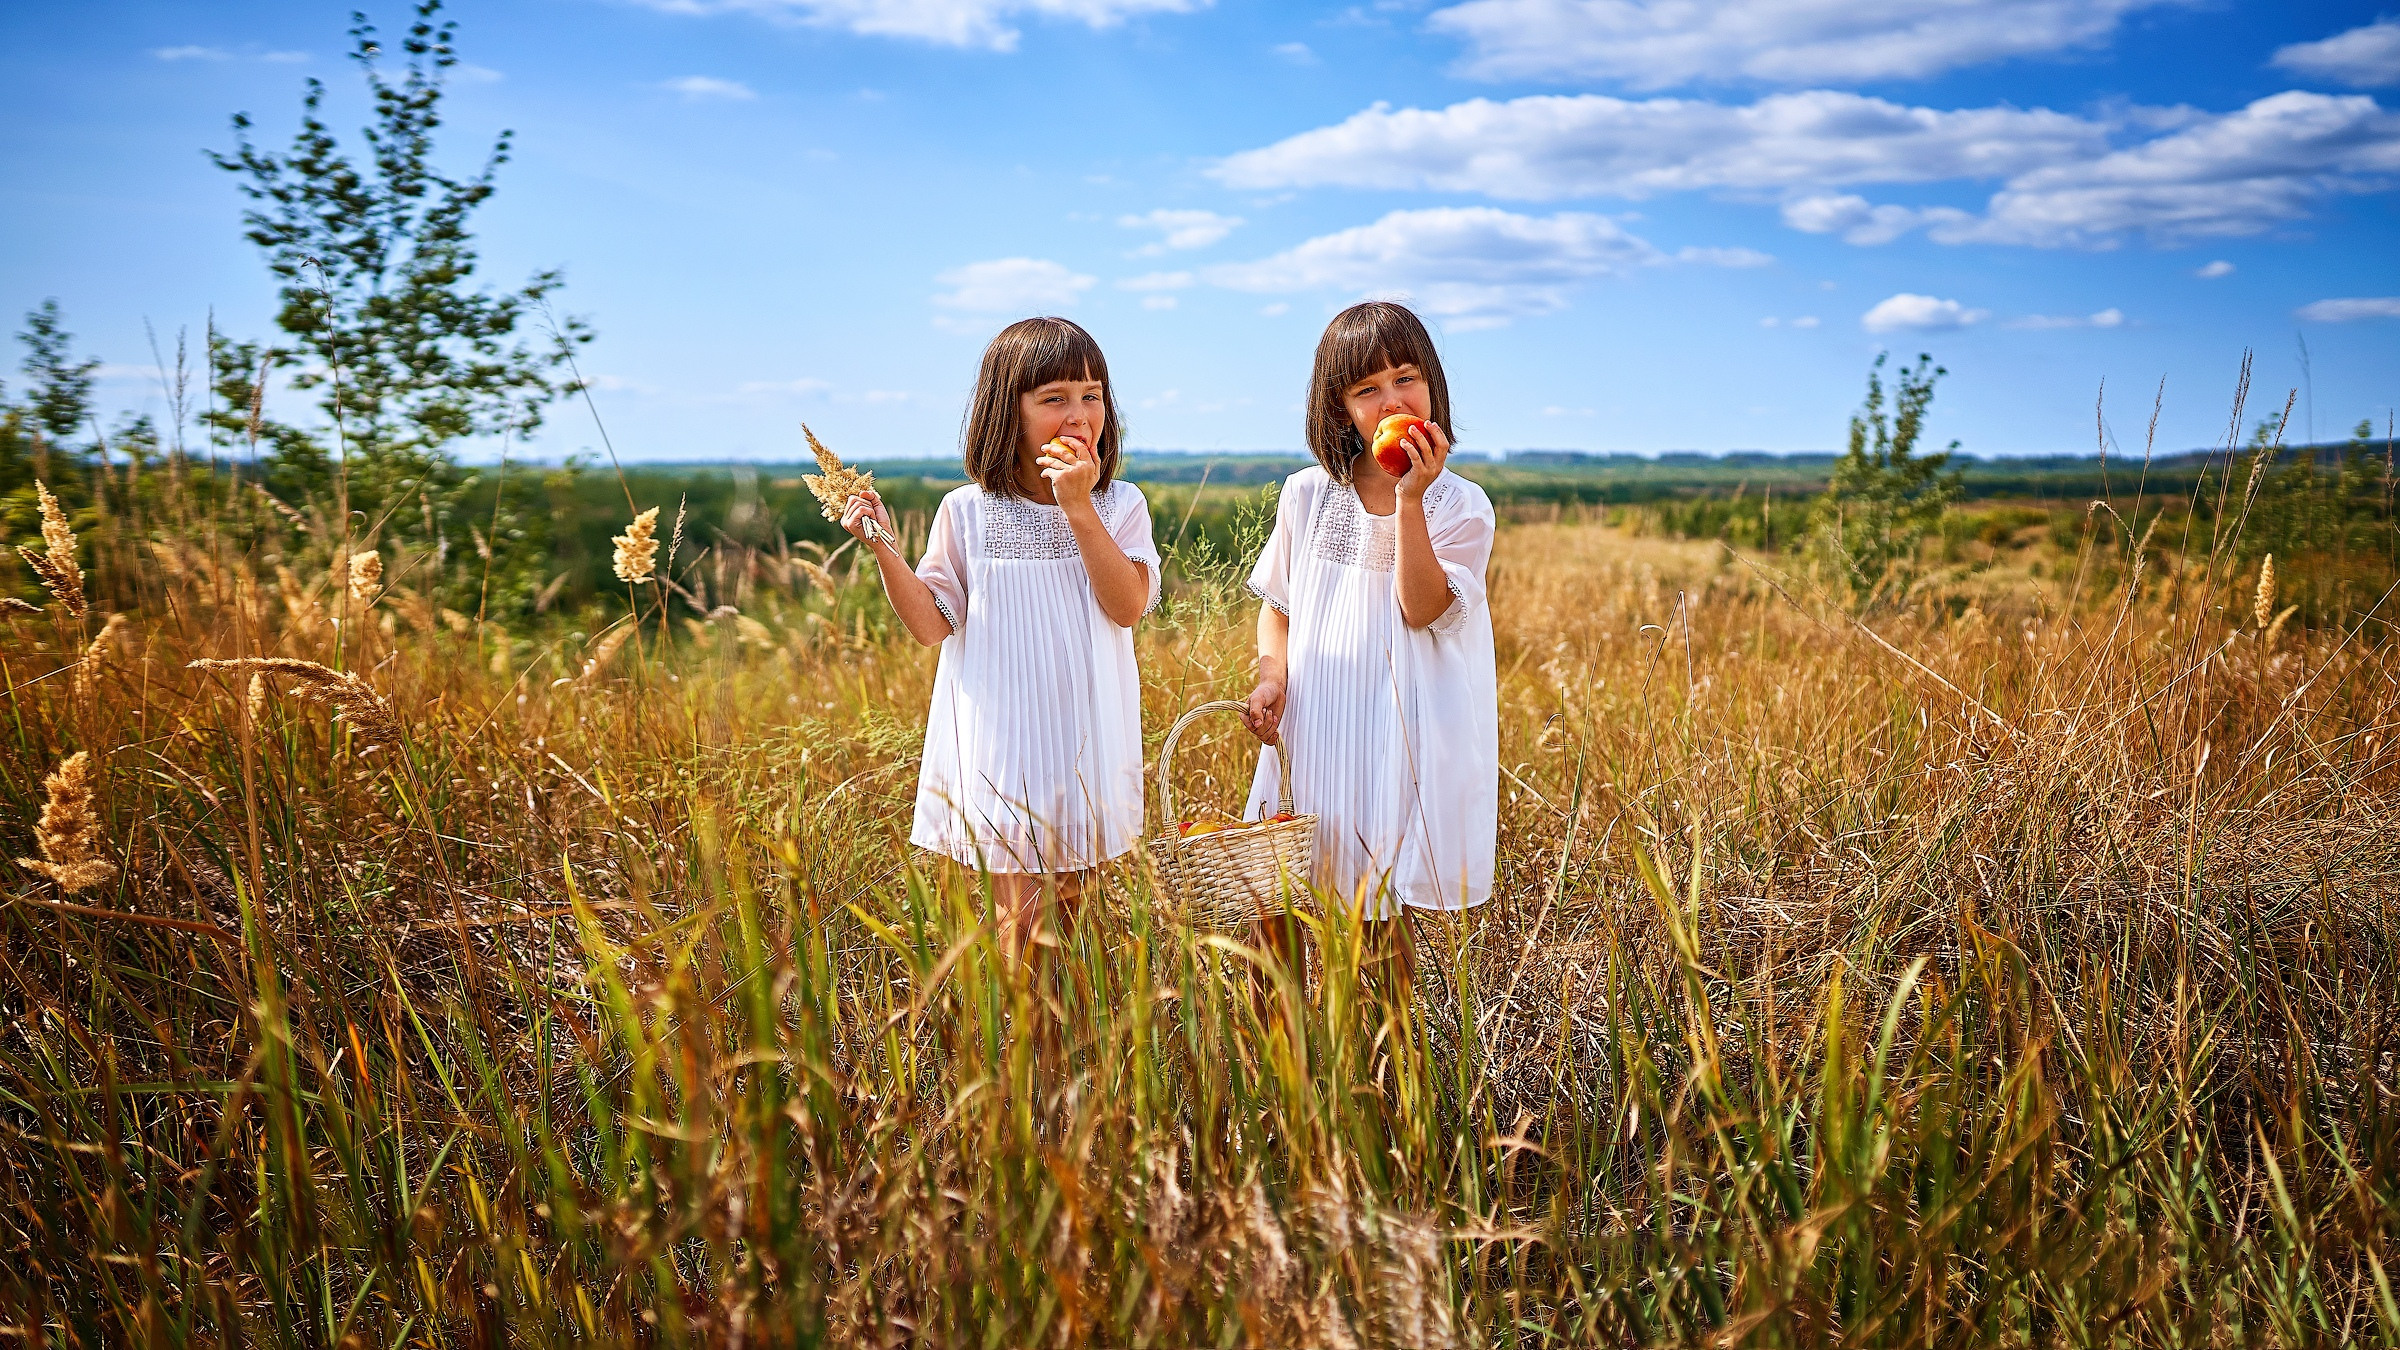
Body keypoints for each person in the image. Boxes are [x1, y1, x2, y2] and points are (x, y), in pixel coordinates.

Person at [840, 316, 1160, 954]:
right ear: (1006, 414)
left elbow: (1126, 607)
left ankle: (1076, 1054)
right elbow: (932, 626)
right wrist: (882, 549)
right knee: (1015, 945)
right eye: (1053, 399)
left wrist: (1079, 505)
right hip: (1001, 764)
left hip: (1087, 753)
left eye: (1091, 396)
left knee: (1079, 943)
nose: (1078, 416)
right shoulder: (967, 512)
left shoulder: (1121, 505)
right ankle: (1017, 1052)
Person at [1240, 301, 1499, 1002]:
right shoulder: (1307, 496)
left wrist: (1410, 499)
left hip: (1388, 742)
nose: (1392, 400)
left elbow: (1422, 607)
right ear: (1340, 409)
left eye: (1405, 379)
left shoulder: (1460, 506)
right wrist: (1272, 677)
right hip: (1308, 735)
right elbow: (1279, 608)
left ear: (1432, 386)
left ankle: (1381, 1093)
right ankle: (1286, 1091)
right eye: (1367, 390)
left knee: (1375, 937)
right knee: (1274, 920)